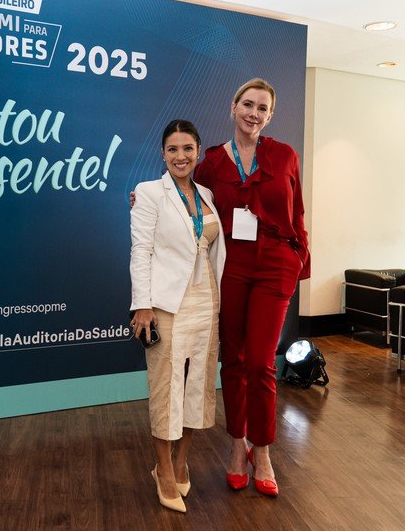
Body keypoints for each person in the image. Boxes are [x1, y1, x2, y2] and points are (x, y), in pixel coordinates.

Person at [192, 77, 310, 496]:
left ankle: (263, 450)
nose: (253, 113)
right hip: (231, 265)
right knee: (234, 360)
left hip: (275, 263)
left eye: (262, 108)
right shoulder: (211, 162)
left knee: (261, 362)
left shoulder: (285, 155)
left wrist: (297, 259)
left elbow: (297, 213)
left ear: (270, 115)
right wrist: (146, 200)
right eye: (247, 104)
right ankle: (236, 445)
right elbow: (187, 202)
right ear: (233, 106)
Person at [129, 119, 226, 513]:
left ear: (198, 152)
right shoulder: (149, 193)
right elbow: (140, 250)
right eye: (173, 149)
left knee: (198, 387)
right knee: (166, 388)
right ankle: (164, 470)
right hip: (167, 303)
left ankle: (181, 461)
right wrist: (143, 304)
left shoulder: (207, 194)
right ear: (163, 153)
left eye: (187, 148)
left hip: (207, 300)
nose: (180, 156)